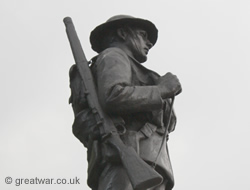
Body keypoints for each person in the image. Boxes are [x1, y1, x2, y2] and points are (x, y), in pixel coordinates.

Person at [69, 15, 182, 190]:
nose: (149, 42)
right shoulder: (114, 56)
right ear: (122, 33)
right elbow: (114, 96)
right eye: (143, 35)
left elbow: (170, 123)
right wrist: (161, 90)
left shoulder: (136, 68)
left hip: (151, 161)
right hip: (127, 159)